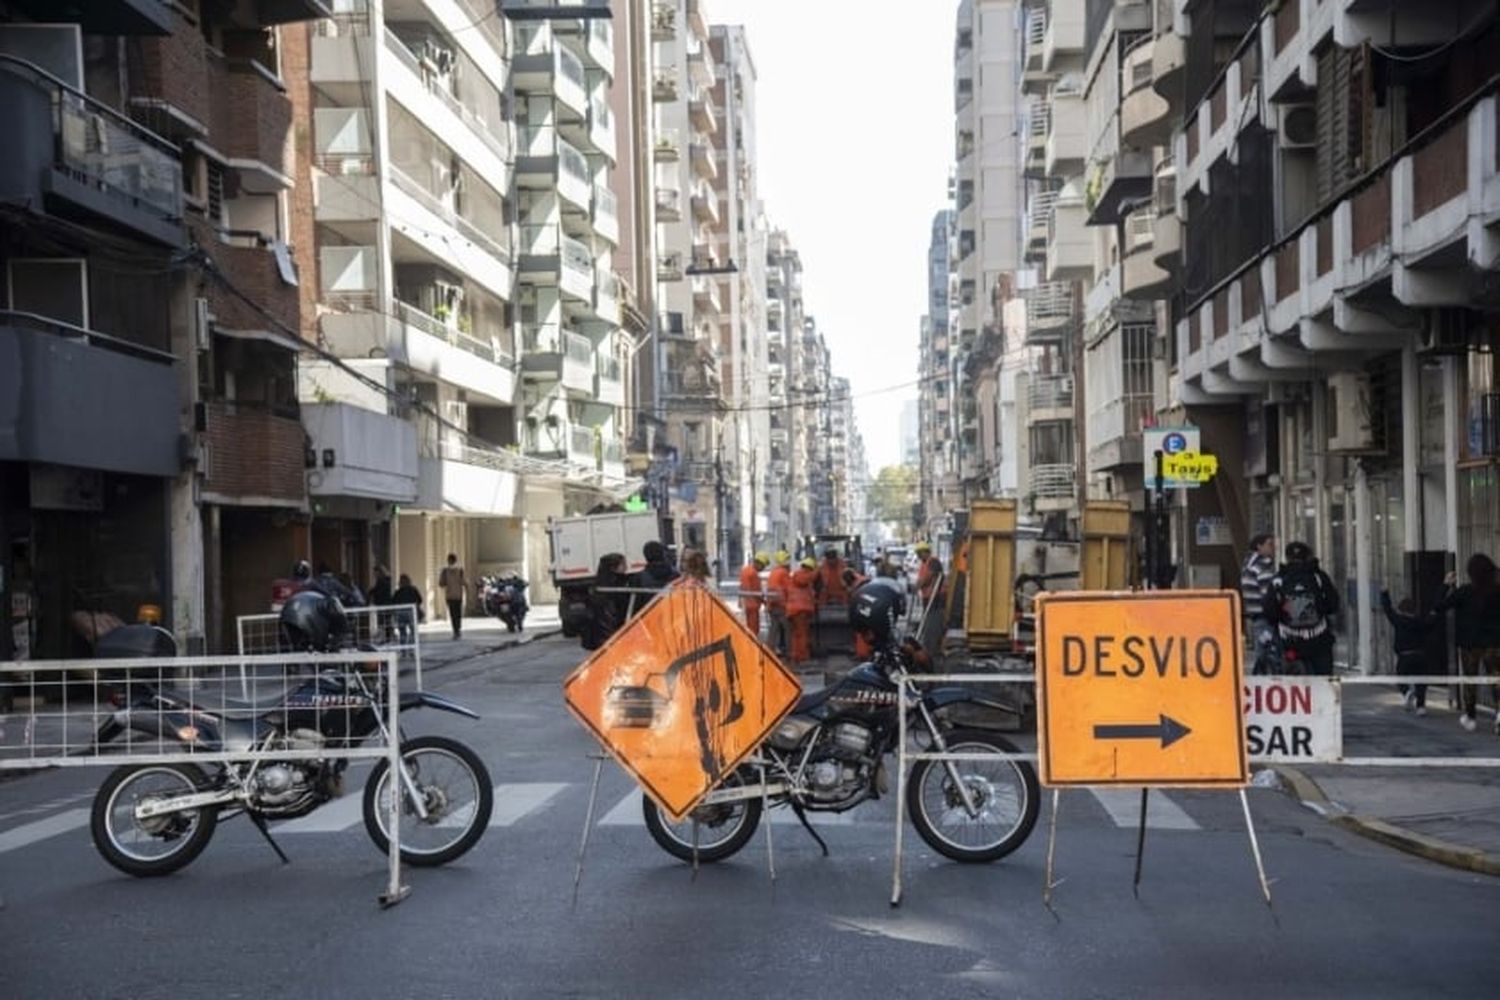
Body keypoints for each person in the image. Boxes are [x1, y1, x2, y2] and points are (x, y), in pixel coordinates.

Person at [1434, 553, 1500, 734]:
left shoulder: (1464, 591)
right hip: (1495, 643)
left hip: (1470, 644)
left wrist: (1445, 585)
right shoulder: (1497, 591)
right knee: (1496, 679)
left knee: (1470, 680)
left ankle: (1471, 717)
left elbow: (1438, 606)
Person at [1264, 542, 1339, 676]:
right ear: (1308, 556)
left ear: (1286, 557)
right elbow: (1333, 605)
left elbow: (1269, 611)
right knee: (1324, 680)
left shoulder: (1278, 579)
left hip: (1289, 641)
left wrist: (1280, 621)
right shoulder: (1319, 577)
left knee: (1291, 682)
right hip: (1318, 640)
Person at [1380, 590, 1438, 716]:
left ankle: (1406, 692)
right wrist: (1434, 612)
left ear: (1401, 610)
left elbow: (1388, 610)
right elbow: (1431, 621)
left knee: (1401, 678)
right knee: (1421, 682)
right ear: (1414, 611)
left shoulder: (1398, 621)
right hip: (1420, 655)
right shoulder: (1421, 623)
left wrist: (1385, 595)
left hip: (1404, 656)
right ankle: (1421, 707)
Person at [1240, 534, 1278, 674]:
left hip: (1255, 616)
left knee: (1262, 652)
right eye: (1269, 544)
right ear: (1259, 546)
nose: (1273, 548)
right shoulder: (1263, 564)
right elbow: (1268, 593)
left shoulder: (1248, 563)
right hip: (1265, 617)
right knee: (1268, 655)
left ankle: (1261, 681)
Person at [582, 553, 633, 651]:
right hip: (613, 634)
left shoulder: (597, 587)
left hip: (600, 638)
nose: (626, 567)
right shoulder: (618, 585)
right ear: (614, 568)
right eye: (623, 564)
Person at [787, 556, 819, 665]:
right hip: (800, 610)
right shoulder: (801, 575)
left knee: (796, 634)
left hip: (795, 610)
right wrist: (817, 571)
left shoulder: (800, 575)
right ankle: (802, 656)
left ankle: (795, 655)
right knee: (802, 634)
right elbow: (804, 580)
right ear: (809, 568)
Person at [766, 550, 793, 656]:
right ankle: (789, 651)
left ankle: (769, 650)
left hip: (773, 604)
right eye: (787, 559)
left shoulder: (774, 571)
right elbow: (788, 588)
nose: (789, 562)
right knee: (788, 628)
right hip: (781, 605)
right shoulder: (783, 572)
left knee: (774, 628)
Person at [739, 553, 770, 635]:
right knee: (754, 628)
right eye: (763, 566)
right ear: (759, 563)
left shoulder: (745, 570)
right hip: (753, 604)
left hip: (746, 603)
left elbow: (742, 586)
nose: (763, 568)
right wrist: (765, 602)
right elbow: (757, 591)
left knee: (747, 627)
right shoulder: (753, 573)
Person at [390, 573, 424, 645]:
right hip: (411, 612)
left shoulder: (398, 592)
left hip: (401, 613)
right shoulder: (413, 590)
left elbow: (393, 602)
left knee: (402, 632)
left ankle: (403, 650)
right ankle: (412, 648)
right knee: (413, 631)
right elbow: (420, 600)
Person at [438, 553, 466, 640]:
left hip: (450, 596)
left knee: (453, 614)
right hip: (458, 595)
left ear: (448, 560)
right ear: (456, 560)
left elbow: (441, 584)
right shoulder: (460, 570)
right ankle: (458, 630)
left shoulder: (445, 571)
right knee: (458, 614)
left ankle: (455, 631)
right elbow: (464, 582)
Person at [915, 541, 944, 608]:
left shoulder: (933, 561)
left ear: (926, 552)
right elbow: (921, 577)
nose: (918, 555)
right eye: (917, 553)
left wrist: (919, 584)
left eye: (920, 553)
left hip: (935, 596)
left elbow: (928, 576)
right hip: (927, 596)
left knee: (932, 615)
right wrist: (917, 584)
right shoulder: (923, 564)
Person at [369, 565, 394, 641]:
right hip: (381, 603)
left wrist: (372, 592)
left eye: (376, 572)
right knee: (383, 621)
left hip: (385, 603)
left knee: (385, 621)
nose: (374, 574)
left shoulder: (384, 581)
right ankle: (386, 637)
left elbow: (380, 591)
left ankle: (388, 637)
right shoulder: (382, 581)